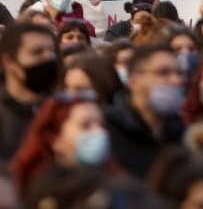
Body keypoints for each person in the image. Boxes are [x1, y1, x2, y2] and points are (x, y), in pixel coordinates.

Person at [12, 92, 119, 199]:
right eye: (85, 125)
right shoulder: (35, 192)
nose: (98, 132)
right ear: (56, 140)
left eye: (101, 124)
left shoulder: (120, 191)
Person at [103, 44, 186, 178]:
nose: (176, 80)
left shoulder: (182, 133)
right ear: (135, 82)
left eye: (179, 73)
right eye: (163, 72)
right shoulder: (106, 128)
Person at [0, 23, 60, 160]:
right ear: (8, 62)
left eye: (52, 52)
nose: (48, 58)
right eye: (37, 52)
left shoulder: (62, 110)